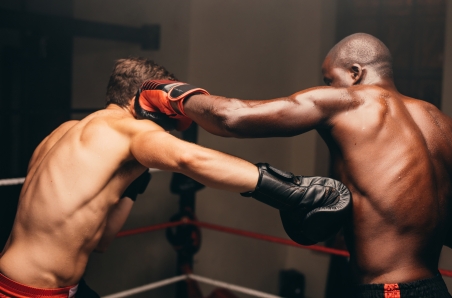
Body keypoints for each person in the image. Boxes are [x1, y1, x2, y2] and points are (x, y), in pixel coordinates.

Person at [138, 33, 452, 297]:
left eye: (329, 80)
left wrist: (171, 94)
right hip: (434, 288)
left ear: (355, 73)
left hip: (387, 292)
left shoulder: (350, 101)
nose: (327, 89)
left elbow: (232, 118)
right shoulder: (445, 126)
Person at [0, 57, 350, 298]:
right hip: (34, 292)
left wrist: (132, 183)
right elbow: (189, 157)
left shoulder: (63, 132)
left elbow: (101, 240)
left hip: (25, 280)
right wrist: (291, 192)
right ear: (148, 100)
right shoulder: (128, 132)